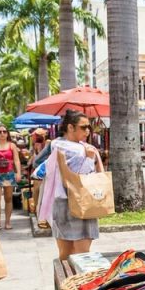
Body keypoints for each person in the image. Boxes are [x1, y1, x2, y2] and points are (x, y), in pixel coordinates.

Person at [39, 110, 103, 260]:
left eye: (89, 127)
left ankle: (67, 283)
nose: (88, 131)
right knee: (82, 255)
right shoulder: (77, 150)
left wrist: (92, 155)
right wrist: (89, 158)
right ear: (70, 128)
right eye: (83, 127)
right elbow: (77, 180)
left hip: (65, 202)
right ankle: (75, 282)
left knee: (65, 254)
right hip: (77, 202)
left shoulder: (57, 145)